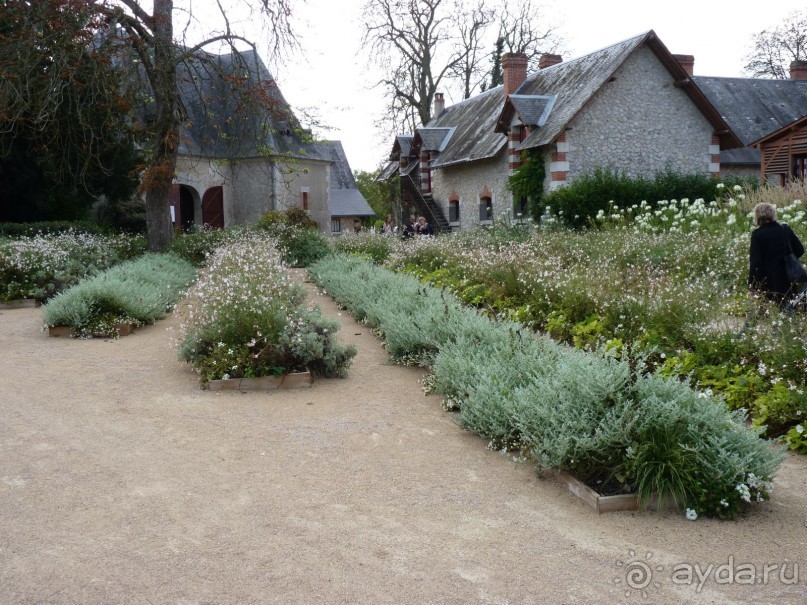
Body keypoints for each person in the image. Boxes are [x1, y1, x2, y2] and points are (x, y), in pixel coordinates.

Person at [748, 202, 805, 307]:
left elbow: (756, 264)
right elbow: (800, 250)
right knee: (789, 307)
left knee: (770, 311)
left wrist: (752, 287)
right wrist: (788, 259)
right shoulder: (784, 229)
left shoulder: (757, 235)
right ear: (773, 213)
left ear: (757, 216)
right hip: (789, 276)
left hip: (769, 281)